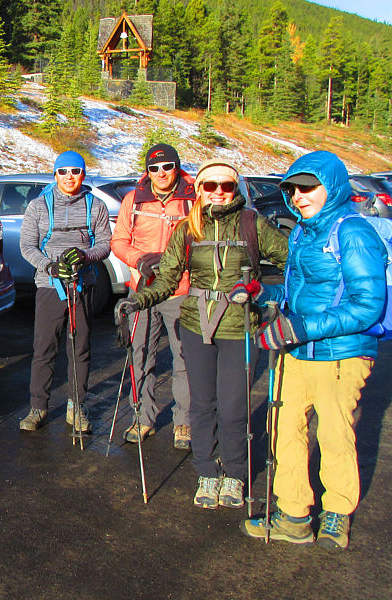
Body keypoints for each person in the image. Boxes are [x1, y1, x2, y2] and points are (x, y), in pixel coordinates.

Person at [115, 159, 287, 510]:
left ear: (235, 189)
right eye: (211, 187)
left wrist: (269, 295)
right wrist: (137, 302)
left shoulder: (253, 223)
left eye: (226, 186)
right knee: (203, 405)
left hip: (239, 327)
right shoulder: (188, 228)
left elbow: (292, 263)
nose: (219, 193)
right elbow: (166, 278)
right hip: (195, 326)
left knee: (234, 406)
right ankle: (207, 471)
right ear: (202, 189)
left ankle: (236, 474)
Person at [241, 151, 386, 549]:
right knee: (284, 428)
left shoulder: (353, 232)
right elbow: (298, 292)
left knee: (336, 432)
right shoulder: (304, 231)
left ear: (332, 186)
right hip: (298, 349)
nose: (299, 195)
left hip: (341, 352)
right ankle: (294, 514)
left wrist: (301, 327)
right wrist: (261, 292)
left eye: (308, 187)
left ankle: (337, 513)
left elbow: (368, 304)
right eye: (292, 188)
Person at [18, 151, 112, 434]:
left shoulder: (95, 206)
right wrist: (49, 266)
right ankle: (38, 406)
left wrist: (85, 256)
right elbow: (27, 247)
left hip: (82, 285)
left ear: (83, 174)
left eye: (75, 171)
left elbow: (105, 243)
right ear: (55, 174)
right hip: (50, 287)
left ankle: (77, 406)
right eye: (63, 171)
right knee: (44, 348)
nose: (69, 177)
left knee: (79, 348)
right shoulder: (38, 206)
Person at [110, 143, 194, 449]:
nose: (161, 173)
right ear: (148, 171)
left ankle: (183, 422)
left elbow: (201, 242)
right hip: (142, 289)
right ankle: (143, 418)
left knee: (184, 357)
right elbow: (118, 241)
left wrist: (178, 263)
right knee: (140, 355)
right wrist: (138, 260)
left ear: (177, 167)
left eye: (167, 166)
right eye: (154, 168)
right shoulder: (134, 200)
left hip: (179, 290)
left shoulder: (192, 198)